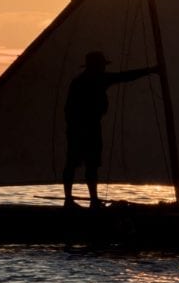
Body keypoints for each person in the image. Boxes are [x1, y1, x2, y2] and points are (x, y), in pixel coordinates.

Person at [63, 50, 157, 208]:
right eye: (101, 65)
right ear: (95, 66)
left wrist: (149, 70)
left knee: (87, 164)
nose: (103, 68)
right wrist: (150, 70)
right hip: (83, 128)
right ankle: (72, 199)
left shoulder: (91, 79)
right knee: (77, 164)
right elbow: (123, 76)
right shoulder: (88, 81)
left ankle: (87, 200)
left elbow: (123, 76)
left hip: (86, 127)